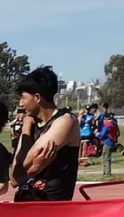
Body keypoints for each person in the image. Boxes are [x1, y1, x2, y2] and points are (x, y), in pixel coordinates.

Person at [10, 66, 80, 201]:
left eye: (23, 98)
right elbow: (14, 177)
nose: (20, 103)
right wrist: (26, 129)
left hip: (50, 206)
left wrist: (26, 127)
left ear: (37, 97)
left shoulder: (65, 121)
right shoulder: (31, 124)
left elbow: (18, 172)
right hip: (24, 202)